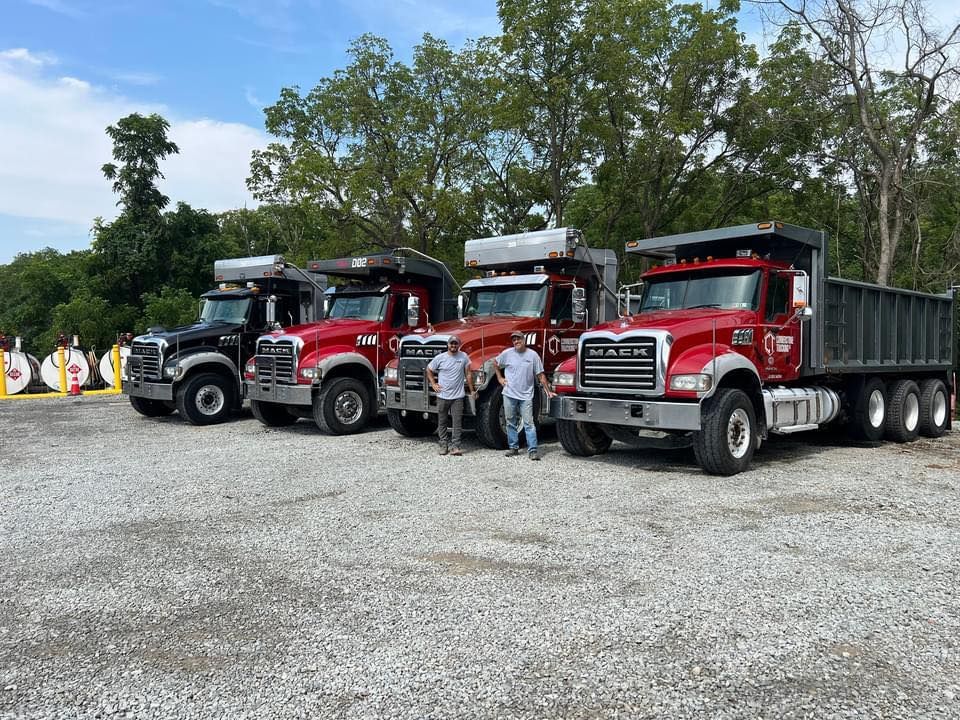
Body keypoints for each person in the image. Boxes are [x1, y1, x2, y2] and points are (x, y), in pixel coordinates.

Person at [494, 330, 556, 461]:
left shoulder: (533, 356)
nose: (516, 342)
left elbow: (541, 375)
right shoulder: (507, 354)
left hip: (526, 395)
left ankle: (532, 450)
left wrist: (548, 391)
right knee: (510, 421)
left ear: (524, 340)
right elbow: (495, 363)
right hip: (509, 394)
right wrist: (500, 378)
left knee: (529, 423)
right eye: (514, 340)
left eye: (518, 339)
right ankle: (513, 447)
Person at [427, 335, 476, 456]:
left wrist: (472, 390)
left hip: (458, 396)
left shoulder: (464, 357)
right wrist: (433, 384)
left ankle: (455, 447)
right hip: (443, 395)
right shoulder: (440, 358)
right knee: (442, 421)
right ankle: (444, 445)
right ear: (448, 345)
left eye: (455, 344)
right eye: (451, 344)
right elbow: (429, 369)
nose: (453, 346)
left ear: (458, 345)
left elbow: (468, 374)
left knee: (457, 422)